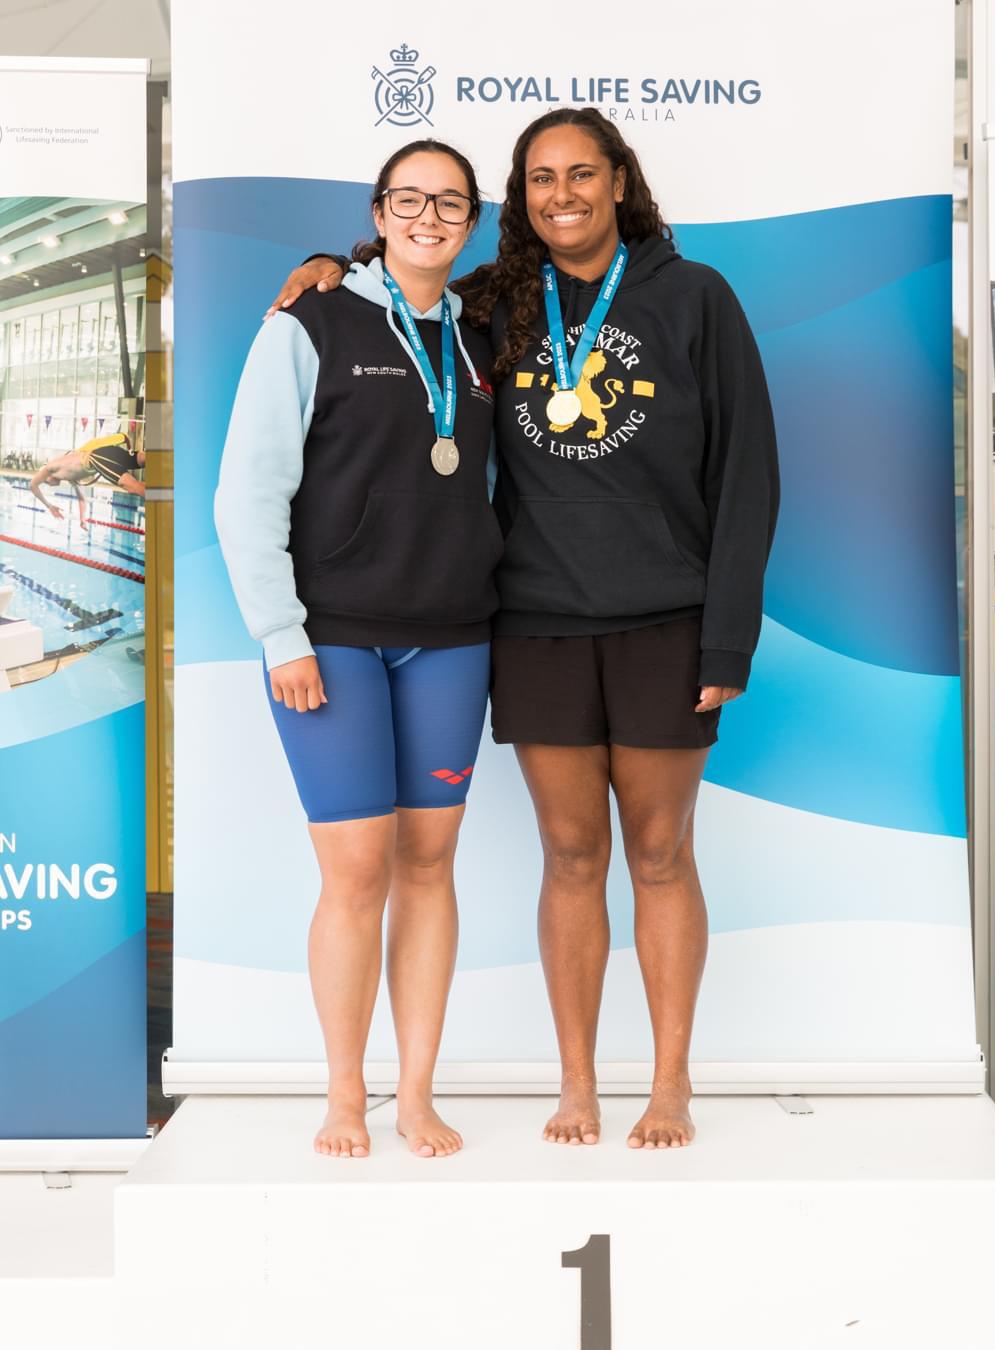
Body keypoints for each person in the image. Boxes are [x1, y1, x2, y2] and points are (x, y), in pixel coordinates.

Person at [269, 108, 779, 1151]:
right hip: (535, 622)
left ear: (620, 181)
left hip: (666, 622)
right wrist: (333, 261)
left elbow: (748, 475)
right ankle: (579, 1085)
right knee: (571, 851)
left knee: (662, 851)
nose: (562, 194)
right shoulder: (493, 303)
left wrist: (727, 640)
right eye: (540, 178)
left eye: (581, 174)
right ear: (522, 197)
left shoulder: (697, 298)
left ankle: (671, 1084)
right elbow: (401, 288)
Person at [216, 140, 502, 1160]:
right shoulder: (312, 320)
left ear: (473, 221)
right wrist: (278, 634)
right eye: (410, 199)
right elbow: (246, 491)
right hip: (330, 641)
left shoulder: (484, 337)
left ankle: (415, 1092)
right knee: (356, 875)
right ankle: (344, 1094)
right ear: (379, 213)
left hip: (452, 640)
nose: (430, 216)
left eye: (451, 202)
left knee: (431, 865)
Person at [29, 433, 146, 526]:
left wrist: (49, 506)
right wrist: (82, 519)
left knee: (133, 487)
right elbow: (81, 499)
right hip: (105, 453)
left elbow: (33, 485)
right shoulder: (69, 475)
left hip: (96, 457)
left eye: (45, 481)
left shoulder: (50, 467)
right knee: (141, 459)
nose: (48, 484)